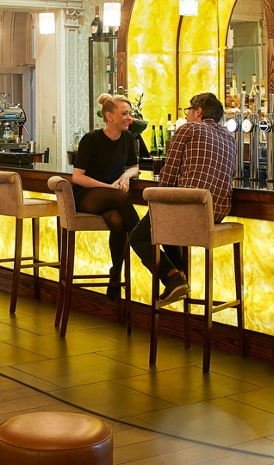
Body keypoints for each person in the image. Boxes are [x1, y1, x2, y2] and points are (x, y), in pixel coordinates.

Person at [129, 92, 237, 305]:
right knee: (169, 228)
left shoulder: (189, 128)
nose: (187, 115)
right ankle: (180, 280)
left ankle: (173, 277)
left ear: (198, 112)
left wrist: (157, 198)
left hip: (190, 209)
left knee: (138, 237)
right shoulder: (230, 138)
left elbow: (168, 175)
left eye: (189, 110)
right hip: (216, 214)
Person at [71, 93, 141, 299]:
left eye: (129, 113)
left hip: (112, 195)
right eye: (124, 113)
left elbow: (134, 166)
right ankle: (144, 242)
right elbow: (77, 177)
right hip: (86, 195)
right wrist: (109, 188)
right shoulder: (91, 139)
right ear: (109, 116)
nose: (129, 118)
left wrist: (126, 176)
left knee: (117, 220)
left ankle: (115, 274)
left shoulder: (127, 137)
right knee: (120, 197)